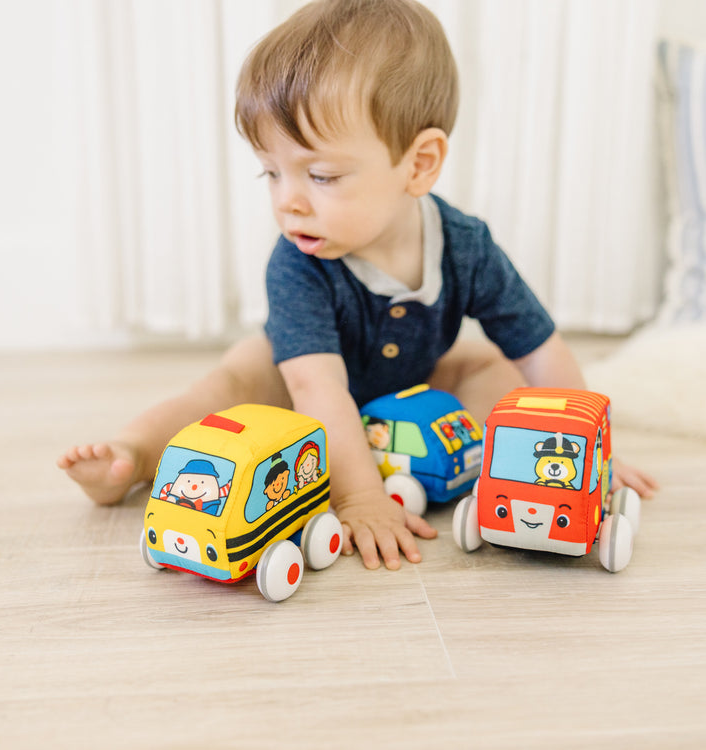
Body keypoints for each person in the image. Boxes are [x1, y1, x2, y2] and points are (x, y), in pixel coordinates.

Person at [57, 0, 657, 570]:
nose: (287, 201)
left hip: (408, 382)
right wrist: (360, 500)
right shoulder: (297, 262)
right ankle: (132, 456)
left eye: (319, 175)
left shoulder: (465, 246)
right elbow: (317, 391)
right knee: (224, 391)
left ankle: (480, 462)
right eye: (271, 173)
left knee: (497, 369)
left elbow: (539, 348)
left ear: (419, 165)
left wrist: (587, 455)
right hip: (294, 378)